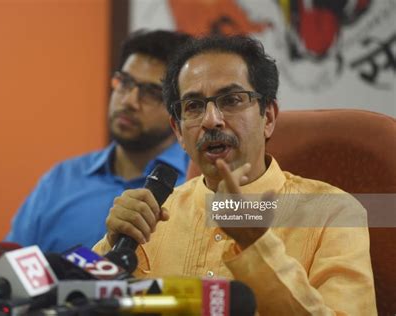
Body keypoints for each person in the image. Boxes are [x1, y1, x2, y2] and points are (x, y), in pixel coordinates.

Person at [93, 35, 377, 314]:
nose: (211, 120)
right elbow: (75, 302)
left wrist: (255, 244)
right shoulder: (154, 214)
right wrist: (113, 246)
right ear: (178, 131)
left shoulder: (335, 214)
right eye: (193, 106)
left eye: (231, 100)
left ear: (268, 117)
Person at [5, 30, 191, 252]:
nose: (129, 101)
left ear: (181, 109)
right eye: (125, 82)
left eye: (151, 92)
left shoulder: (203, 184)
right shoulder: (60, 180)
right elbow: (12, 267)